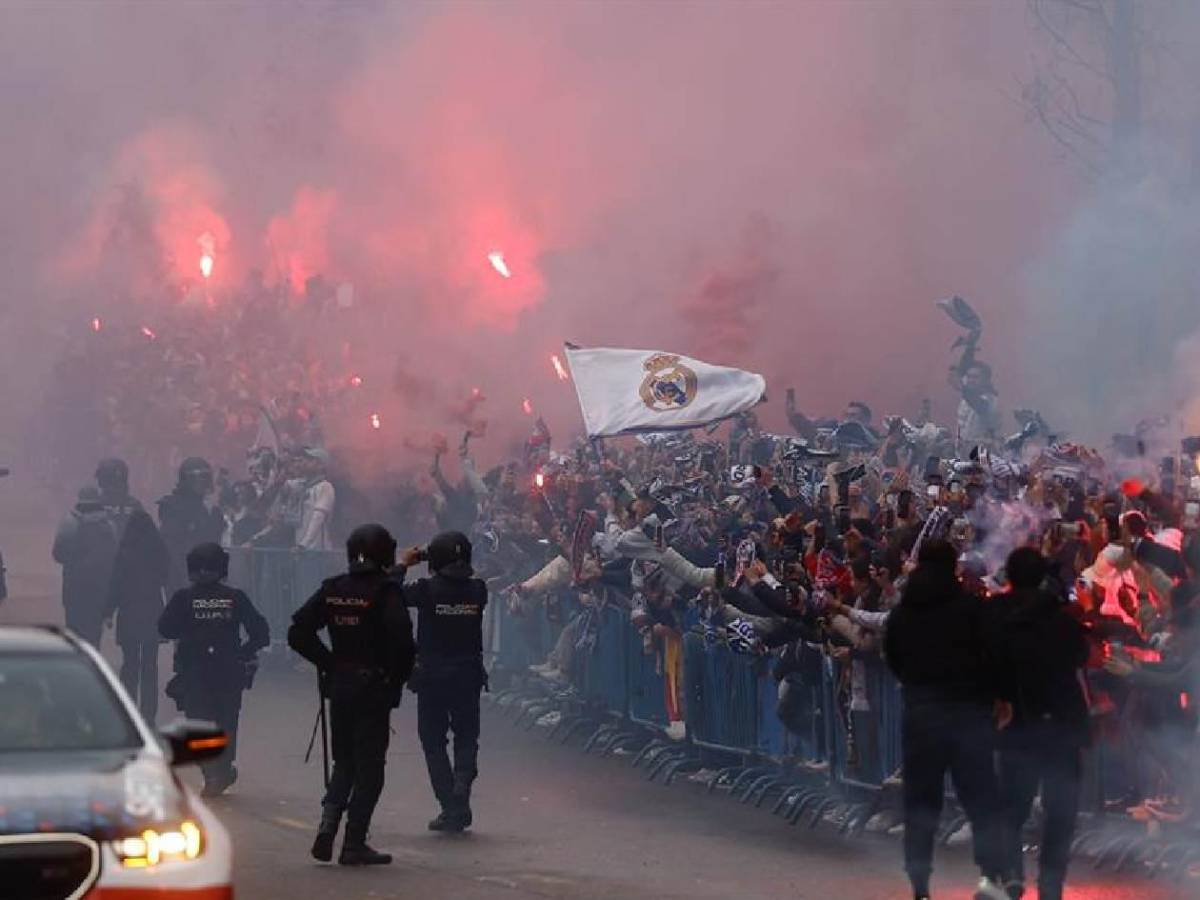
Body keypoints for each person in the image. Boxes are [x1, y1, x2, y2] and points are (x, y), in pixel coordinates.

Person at [883, 540, 1008, 900]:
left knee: (921, 802)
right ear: (953, 565)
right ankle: (991, 876)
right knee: (981, 798)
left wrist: (918, 683)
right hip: (968, 715)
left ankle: (919, 882)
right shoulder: (971, 608)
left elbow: (893, 656)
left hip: (922, 715)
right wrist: (996, 696)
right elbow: (992, 654)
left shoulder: (904, 613)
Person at [288, 524, 415, 866]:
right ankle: (354, 842)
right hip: (372, 689)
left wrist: (330, 663)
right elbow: (404, 642)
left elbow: (298, 632)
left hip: (340, 687)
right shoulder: (385, 592)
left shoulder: (334, 589)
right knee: (370, 769)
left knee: (344, 763)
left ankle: (327, 828)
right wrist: (393, 680)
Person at [986, 547, 1089, 900]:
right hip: (1061, 728)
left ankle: (1013, 876)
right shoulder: (1062, 619)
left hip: (1019, 727)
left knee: (1011, 810)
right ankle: (1050, 886)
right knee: (1060, 813)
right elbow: (1080, 656)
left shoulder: (998, 618)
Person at [159, 543, 270, 797]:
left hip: (194, 672)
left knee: (197, 723)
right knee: (226, 721)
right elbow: (261, 633)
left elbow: (165, 629)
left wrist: (189, 630)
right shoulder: (235, 597)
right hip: (228, 672)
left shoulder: (183, 598)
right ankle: (221, 769)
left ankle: (211, 773)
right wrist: (242, 653)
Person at [398, 531, 489, 833]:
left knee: (433, 741)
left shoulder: (426, 590)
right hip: (468, 675)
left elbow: (387, 593)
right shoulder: (479, 590)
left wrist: (404, 564)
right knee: (466, 737)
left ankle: (450, 804)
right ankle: (462, 785)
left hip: (433, 677)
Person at [106, 505, 169, 723]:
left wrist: (107, 612)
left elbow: (115, 583)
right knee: (150, 665)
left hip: (129, 613)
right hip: (152, 611)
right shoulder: (157, 549)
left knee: (130, 664)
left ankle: (129, 709)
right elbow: (167, 576)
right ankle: (149, 713)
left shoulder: (124, 551)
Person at [52, 486, 118, 646]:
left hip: (74, 590)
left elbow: (58, 554)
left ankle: (77, 667)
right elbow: (115, 558)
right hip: (100, 590)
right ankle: (92, 665)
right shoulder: (109, 524)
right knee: (94, 635)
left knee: (74, 635)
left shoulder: (70, 521)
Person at [158, 457, 227, 594]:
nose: (202, 483)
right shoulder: (173, 507)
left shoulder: (212, 510)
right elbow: (173, 547)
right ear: (185, 480)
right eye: (197, 478)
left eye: (205, 477)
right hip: (183, 577)